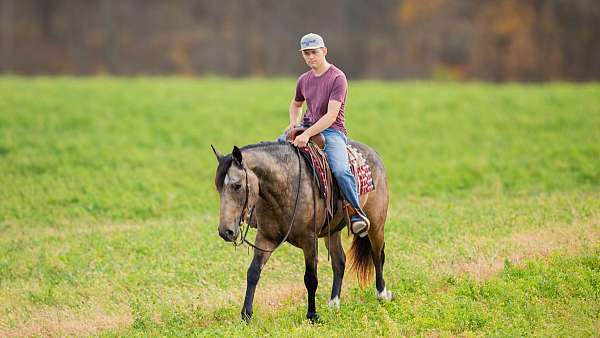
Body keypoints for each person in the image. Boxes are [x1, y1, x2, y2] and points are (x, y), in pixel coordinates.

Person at [277, 33, 369, 236]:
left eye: (314, 52)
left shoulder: (337, 78)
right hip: (307, 126)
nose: (310, 57)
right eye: (306, 54)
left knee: (340, 169)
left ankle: (356, 213)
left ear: (324, 51)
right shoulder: (304, 80)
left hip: (332, 131)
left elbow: (331, 115)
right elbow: (296, 104)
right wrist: (294, 123)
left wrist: (306, 135)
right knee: (274, 152)